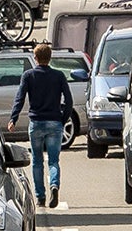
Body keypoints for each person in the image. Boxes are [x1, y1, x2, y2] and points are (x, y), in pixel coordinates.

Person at [6, 42, 78, 208]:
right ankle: (54, 185)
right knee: (54, 161)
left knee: (37, 161)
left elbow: (20, 98)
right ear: (50, 58)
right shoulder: (59, 76)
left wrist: (13, 118)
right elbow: (69, 100)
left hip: (36, 122)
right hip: (55, 122)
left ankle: (40, 197)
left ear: (35, 58)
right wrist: (63, 118)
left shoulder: (29, 75)